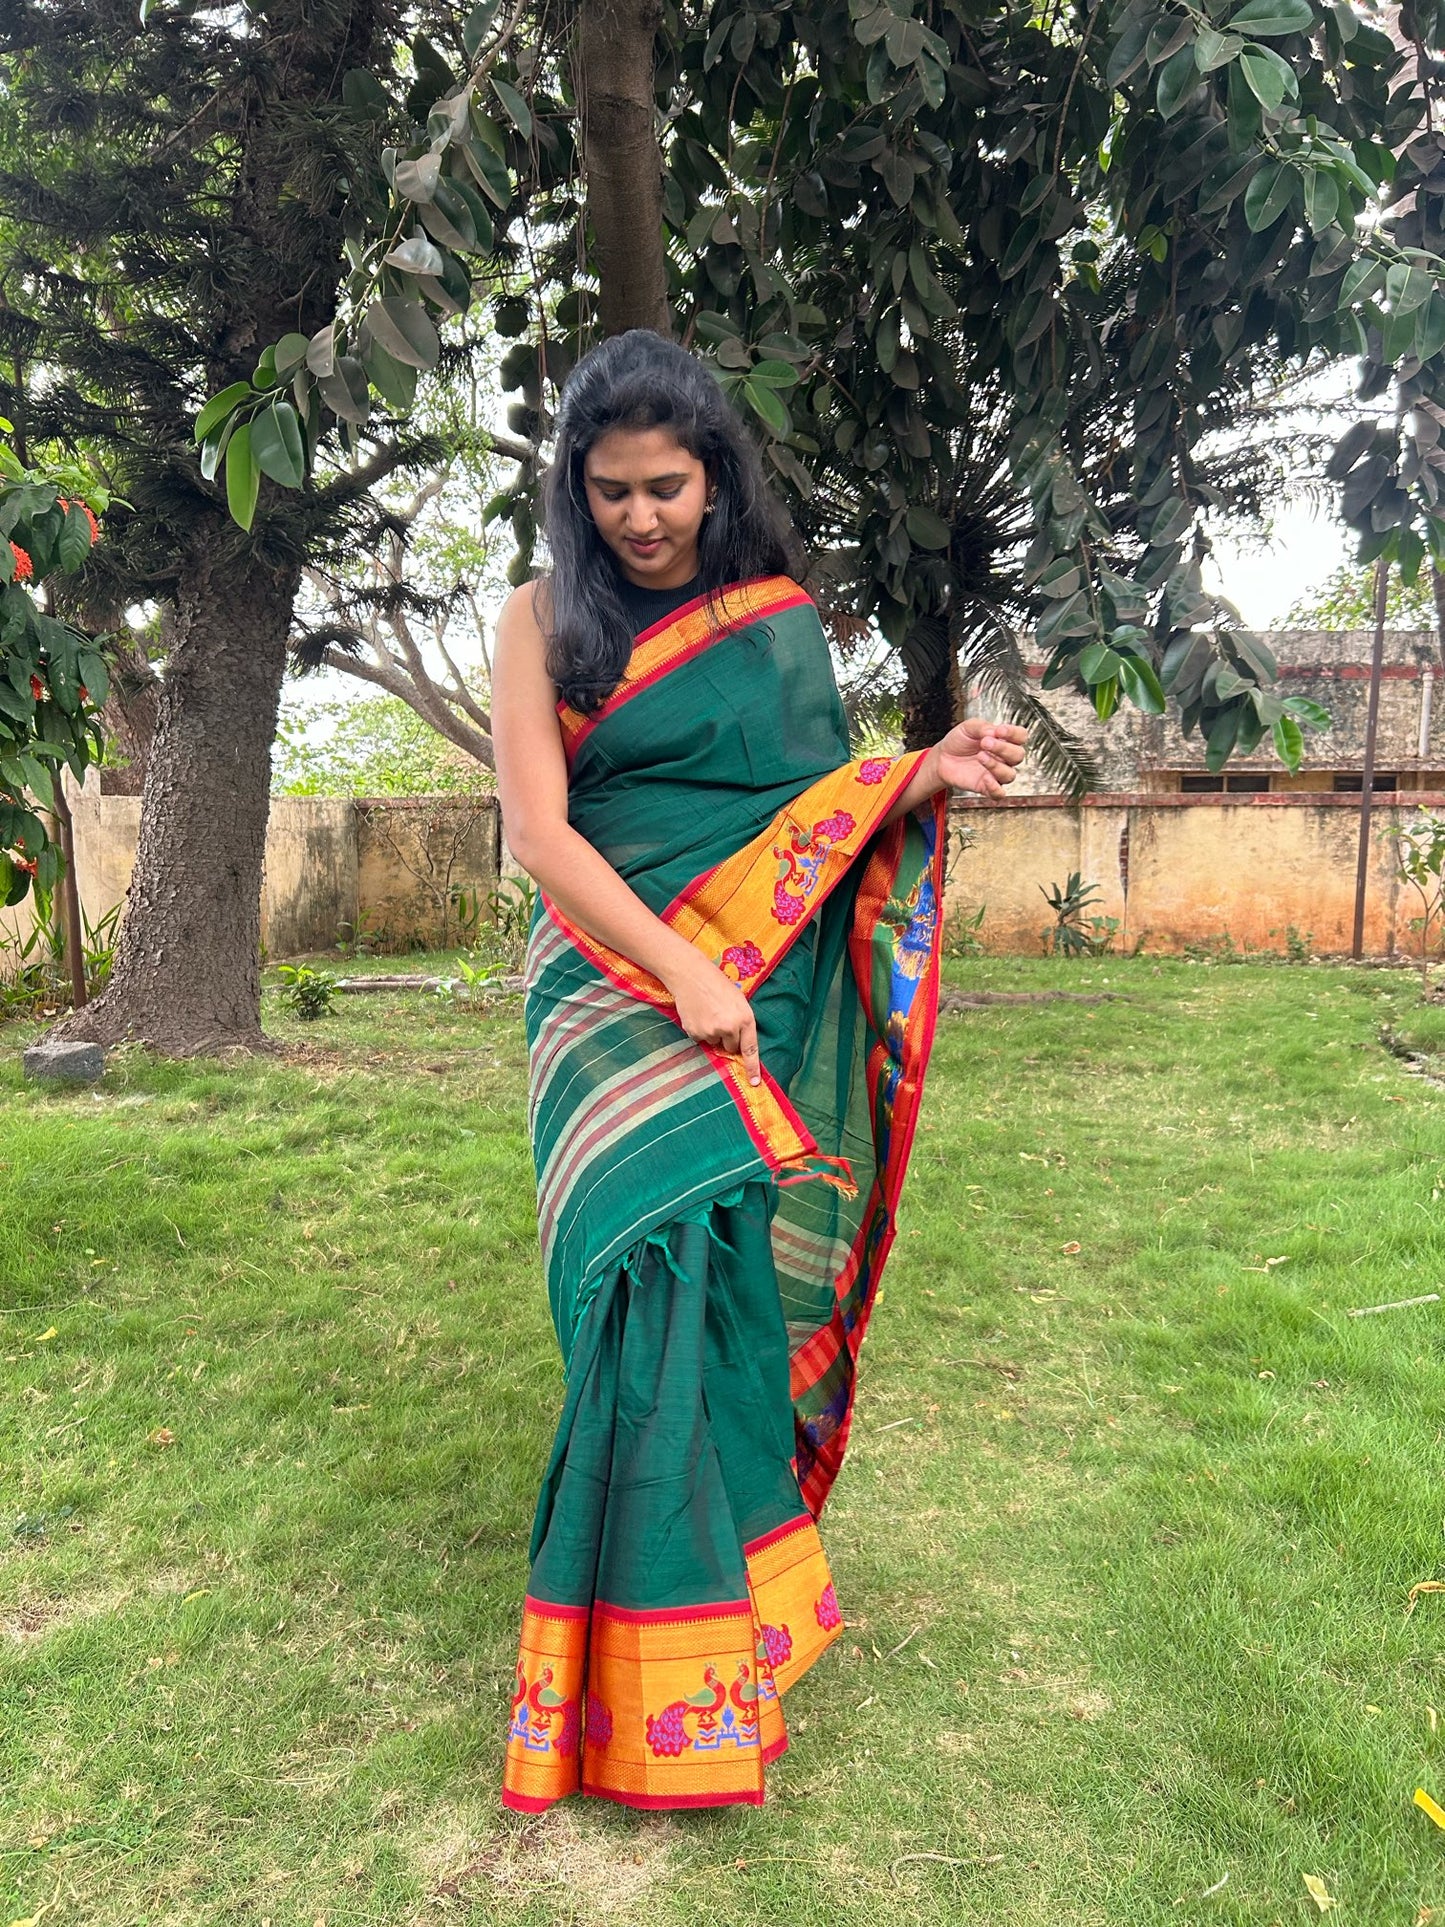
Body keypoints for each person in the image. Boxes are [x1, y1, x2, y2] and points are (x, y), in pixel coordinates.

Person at [492, 329, 1026, 1812]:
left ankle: (706, 1632)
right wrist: (678, 973)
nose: (641, 518)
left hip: (744, 983)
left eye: (666, 487)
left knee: (710, 1283)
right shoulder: (539, 618)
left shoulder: (774, 622)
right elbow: (540, 835)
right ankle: (639, 1656)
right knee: (627, 1288)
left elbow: (805, 810)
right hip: (609, 992)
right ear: (575, 491)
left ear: (715, 477)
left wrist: (915, 773)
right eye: (609, 493)